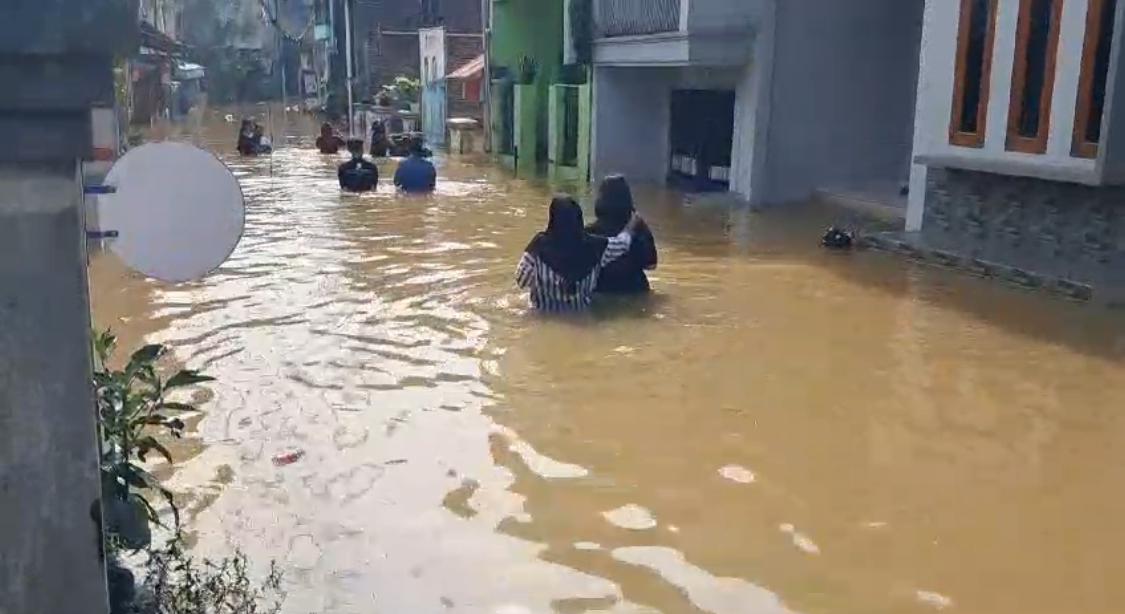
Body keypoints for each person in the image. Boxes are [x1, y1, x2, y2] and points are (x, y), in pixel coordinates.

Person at [516, 196, 640, 313]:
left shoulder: (539, 246)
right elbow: (623, 243)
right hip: (581, 319)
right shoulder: (595, 246)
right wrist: (631, 224)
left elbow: (521, 280)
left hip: (542, 317)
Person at [586, 175, 658, 294]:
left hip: (602, 291)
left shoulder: (590, 231)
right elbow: (651, 265)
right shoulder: (639, 228)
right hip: (635, 291)